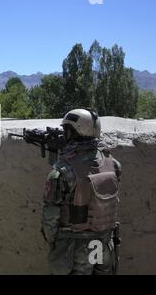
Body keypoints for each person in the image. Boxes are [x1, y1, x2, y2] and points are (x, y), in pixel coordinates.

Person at [41, 108, 122, 275]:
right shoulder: (112, 164)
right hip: (103, 243)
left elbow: (50, 217)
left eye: (67, 130)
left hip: (76, 248)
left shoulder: (62, 171)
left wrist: (54, 244)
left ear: (74, 132)